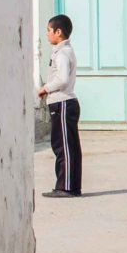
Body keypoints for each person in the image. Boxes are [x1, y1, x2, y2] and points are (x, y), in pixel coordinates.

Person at [39, 14, 81, 198]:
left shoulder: (63, 54)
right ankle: (67, 185)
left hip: (63, 103)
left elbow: (62, 79)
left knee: (64, 147)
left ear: (59, 32)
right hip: (61, 103)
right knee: (64, 146)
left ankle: (66, 187)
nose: (47, 34)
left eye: (49, 30)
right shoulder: (62, 51)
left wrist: (45, 88)